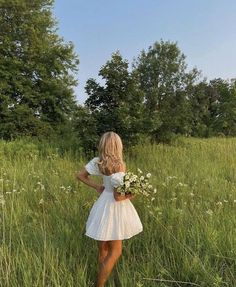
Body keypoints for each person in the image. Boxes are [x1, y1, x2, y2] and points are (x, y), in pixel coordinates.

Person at [76, 131, 143, 287]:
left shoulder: (97, 161)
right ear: (117, 146)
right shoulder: (119, 164)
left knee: (103, 249)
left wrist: (98, 187)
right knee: (116, 251)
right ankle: (99, 284)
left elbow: (80, 175)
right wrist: (131, 194)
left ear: (103, 145)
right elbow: (118, 197)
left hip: (102, 205)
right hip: (115, 209)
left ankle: (103, 277)